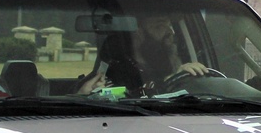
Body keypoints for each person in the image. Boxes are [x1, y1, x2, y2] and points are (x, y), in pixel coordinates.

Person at [78, 13, 209, 94]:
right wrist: (170, 81)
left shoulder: (169, 62)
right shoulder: (117, 72)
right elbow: (128, 98)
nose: (170, 32)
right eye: (159, 26)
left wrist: (184, 74)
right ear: (138, 34)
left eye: (169, 26)